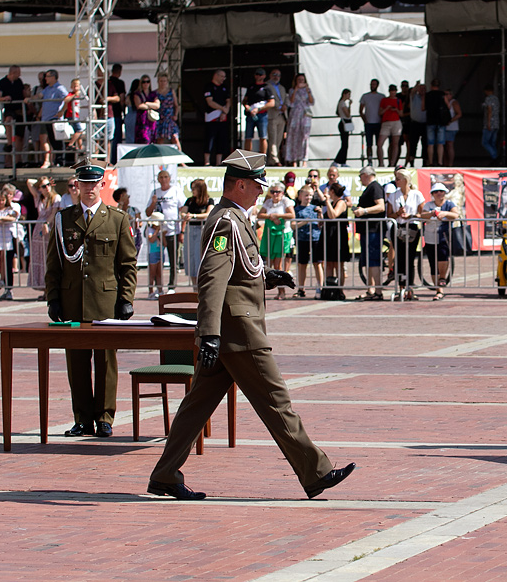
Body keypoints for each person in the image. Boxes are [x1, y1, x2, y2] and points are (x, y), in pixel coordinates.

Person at [146, 149, 355, 500]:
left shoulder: (235, 217)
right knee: (276, 399)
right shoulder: (227, 220)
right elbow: (212, 278)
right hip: (238, 332)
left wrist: (266, 276)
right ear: (239, 184)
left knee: (196, 406)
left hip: (231, 330)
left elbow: (238, 269)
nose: (261, 191)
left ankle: (166, 475)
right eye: (256, 186)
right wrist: (209, 333)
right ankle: (316, 472)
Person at [46, 161, 137, 438]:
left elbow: (128, 264)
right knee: (76, 362)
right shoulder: (64, 219)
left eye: (93, 183)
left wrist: (126, 298)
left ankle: (105, 417)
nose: (88, 188)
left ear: (102, 185)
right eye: (82, 183)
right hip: (73, 301)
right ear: (77, 185)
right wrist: (53, 299)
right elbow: (54, 265)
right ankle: (83, 419)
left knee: (106, 363)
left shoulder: (117, 219)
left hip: (105, 302)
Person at [387, 169, 425, 300]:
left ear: (405, 180)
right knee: (399, 258)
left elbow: (423, 214)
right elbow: (389, 214)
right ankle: (401, 287)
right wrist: (397, 214)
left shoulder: (416, 195)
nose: (396, 181)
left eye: (398, 179)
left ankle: (410, 288)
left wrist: (411, 215)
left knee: (410, 258)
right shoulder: (393, 195)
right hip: (398, 226)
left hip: (412, 227)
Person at [352, 165, 386, 301]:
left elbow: (381, 206)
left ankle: (377, 290)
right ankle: (371, 289)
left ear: (365, 175)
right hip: (368, 229)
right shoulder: (370, 188)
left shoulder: (375, 187)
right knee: (369, 260)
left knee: (373, 260)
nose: (360, 179)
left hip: (373, 229)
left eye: (360, 176)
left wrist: (364, 211)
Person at [146, 169, 182, 294]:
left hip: (172, 231)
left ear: (169, 178)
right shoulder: (155, 192)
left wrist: (182, 229)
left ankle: (172, 286)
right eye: (161, 177)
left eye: (166, 177)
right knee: (157, 262)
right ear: (158, 179)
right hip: (158, 233)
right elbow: (148, 212)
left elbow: (182, 208)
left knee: (173, 260)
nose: (163, 179)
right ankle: (158, 287)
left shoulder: (176, 190)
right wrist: (153, 202)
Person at [420, 182, 458, 300]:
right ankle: (438, 290)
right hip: (430, 236)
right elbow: (422, 215)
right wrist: (432, 213)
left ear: (445, 193)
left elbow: (456, 214)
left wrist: (445, 213)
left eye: (441, 191)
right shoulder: (428, 205)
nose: (439, 194)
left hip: (443, 235)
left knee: (443, 258)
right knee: (432, 262)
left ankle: (442, 278)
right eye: (436, 192)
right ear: (432, 194)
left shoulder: (449, 204)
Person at [257, 181, 294, 299]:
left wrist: (278, 216)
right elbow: (260, 214)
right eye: (272, 192)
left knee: (278, 264)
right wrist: (271, 217)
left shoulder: (286, 201)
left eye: (277, 192)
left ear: (282, 192)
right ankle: (265, 289)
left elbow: (291, 215)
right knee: (269, 263)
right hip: (270, 234)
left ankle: (282, 291)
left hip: (282, 234)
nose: (275, 194)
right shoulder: (268, 202)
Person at [25, 176, 61, 293]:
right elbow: (29, 182)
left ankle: (49, 288)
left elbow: (54, 213)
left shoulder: (56, 198)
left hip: (49, 228)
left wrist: (47, 223)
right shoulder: (39, 198)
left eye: (48, 185)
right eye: (44, 186)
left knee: (48, 258)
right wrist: (40, 182)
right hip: (38, 231)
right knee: (39, 258)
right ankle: (43, 287)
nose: (47, 188)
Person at [180, 179, 214, 292]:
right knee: (191, 257)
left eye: (194, 188)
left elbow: (208, 214)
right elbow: (183, 212)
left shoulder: (209, 200)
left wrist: (194, 216)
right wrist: (185, 216)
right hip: (191, 229)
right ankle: (195, 288)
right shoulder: (189, 201)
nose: (192, 191)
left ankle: (202, 287)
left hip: (202, 229)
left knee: (200, 256)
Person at [34, 69, 68, 168]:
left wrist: (62, 111)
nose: (45, 79)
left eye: (47, 76)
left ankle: (60, 161)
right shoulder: (48, 88)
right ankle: (54, 161)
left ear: (53, 77)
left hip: (55, 119)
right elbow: (40, 96)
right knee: (52, 141)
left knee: (57, 141)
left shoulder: (59, 88)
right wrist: (30, 98)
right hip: (46, 119)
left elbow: (67, 98)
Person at [293, 186, 323, 299]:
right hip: (302, 238)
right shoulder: (297, 209)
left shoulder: (315, 208)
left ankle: (320, 286)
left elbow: (321, 224)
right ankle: (301, 288)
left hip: (315, 238)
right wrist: (305, 222)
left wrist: (320, 215)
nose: (308, 197)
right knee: (302, 264)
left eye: (310, 195)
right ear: (300, 196)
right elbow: (293, 225)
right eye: (306, 195)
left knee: (317, 263)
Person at [322, 181, 350, 300]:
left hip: (338, 235)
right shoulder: (332, 202)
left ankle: (339, 290)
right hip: (329, 235)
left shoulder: (341, 202)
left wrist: (327, 201)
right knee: (328, 264)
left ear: (332, 192)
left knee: (338, 264)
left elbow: (334, 215)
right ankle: (329, 289)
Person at [0, 65, 26, 167]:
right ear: (12, 73)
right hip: (9, 110)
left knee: (19, 137)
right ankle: (9, 143)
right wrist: (4, 98)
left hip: (20, 111)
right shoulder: (2, 82)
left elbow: (23, 94)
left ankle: (18, 161)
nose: (20, 75)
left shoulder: (19, 82)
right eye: (18, 73)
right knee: (8, 121)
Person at [242, 68, 274, 155]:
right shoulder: (251, 87)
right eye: (257, 74)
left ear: (264, 76)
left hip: (262, 115)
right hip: (251, 115)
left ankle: (262, 157)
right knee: (248, 136)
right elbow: (244, 100)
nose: (258, 76)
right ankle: (248, 157)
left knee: (263, 136)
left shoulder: (267, 87)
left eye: (260, 74)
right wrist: (247, 106)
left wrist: (259, 109)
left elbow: (272, 103)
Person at [285, 73, 314, 168]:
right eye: (299, 80)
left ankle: (304, 160)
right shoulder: (292, 90)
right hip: (295, 115)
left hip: (305, 115)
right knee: (294, 137)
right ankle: (294, 159)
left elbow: (311, 102)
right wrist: (296, 89)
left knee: (304, 138)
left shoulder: (307, 90)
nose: (301, 82)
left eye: (302, 80)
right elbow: (291, 102)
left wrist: (307, 90)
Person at [204, 69, 231, 165]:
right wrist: (222, 109)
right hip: (211, 116)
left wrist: (225, 111)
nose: (223, 79)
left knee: (221, 138)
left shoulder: (224, 87)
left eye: (224, 77)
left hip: (223, 117)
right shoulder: (209, 86)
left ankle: (218, 162)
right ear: (216, 75)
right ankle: (207, 161)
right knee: (210, 138)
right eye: (222, 76)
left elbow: (228, 100)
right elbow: (210, 101)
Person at [359, 79, 384, 166]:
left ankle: (380, 161)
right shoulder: (365, 96)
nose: (373, 86)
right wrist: (365, 120)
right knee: (369, 143)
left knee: (379, 144)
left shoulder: (381, 97)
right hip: (369, 123)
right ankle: (369, 160)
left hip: (378, 123)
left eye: (374, 84)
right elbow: (361, 110)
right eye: (371, 84)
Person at [376, 84, 402, 168]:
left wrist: (396, 110)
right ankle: (381, 163)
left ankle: (392, 163)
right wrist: (387, 108)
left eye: (394, 91)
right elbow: (380, 112)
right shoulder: (384, 100)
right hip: (386, 122)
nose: (392, 92)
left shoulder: (398, 100)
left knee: (395, 143)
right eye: (391, 91)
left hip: (396, 122)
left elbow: (401, 113)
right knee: (380, 143)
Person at [265, 69, 287, 166]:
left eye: (278, 75)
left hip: (282, 116)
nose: (276, 76)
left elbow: (285, 100)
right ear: (270, 75)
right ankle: (275, 159)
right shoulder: (267, 86)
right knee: (272, 138)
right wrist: (278, 106)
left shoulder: (282, 88)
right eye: (274, 74)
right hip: (272, 114)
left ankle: (272, 159)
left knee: (278, 139)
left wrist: (285, 106)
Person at [423, 80, 447, 167]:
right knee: (440, 143)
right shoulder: (442, 94)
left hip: (430, 120)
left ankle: (430, 162)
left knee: (430, 143)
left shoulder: (428, 95)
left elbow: (423, 107)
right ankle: (440, 162)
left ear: (431, 85)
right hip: (440, 121)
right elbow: (447, 105)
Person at [111, 187, 142, 255]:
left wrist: (130, 218)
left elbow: (139, 224)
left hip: (134, 237)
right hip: (121, 237)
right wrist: (121, 203)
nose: (128, 198)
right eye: (126, 196)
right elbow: (116, 218)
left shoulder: (134, 210)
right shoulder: (114, 210)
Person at [154, 73, 181, 150]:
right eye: (161, 81)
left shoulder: (171, 91)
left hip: (170, 117)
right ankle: (159, 158)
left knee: (175, 138)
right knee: (160, 139)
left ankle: (180, 159)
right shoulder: (155, 93)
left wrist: (175, 115)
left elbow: (176, 105)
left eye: (164, 81)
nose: (163, 83)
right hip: (160, 118)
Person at [60, 78, 86, 154]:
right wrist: (74, 95)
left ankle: (80, 147)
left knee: (77, 132)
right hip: (72, 115)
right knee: (79, 131)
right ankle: (70, 144)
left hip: (76, 115)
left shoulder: (78, 96)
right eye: (74, 86)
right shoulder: (71, 94)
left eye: (77, 86)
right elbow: (66, 100)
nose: (75, 88)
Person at [131, 75, 159, 145]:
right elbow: (139, 106)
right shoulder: (137, 94)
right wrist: (151, 105)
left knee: (152, 138)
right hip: (142, 119)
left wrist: (147, 104)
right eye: (144, 82)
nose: (146, 84)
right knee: (143, 138)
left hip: (151, 120)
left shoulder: (153, 94)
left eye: (148, 82)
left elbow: (157, 105)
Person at [108, 64, 127, 164]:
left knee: (108, 139)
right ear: (120, 71)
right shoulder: (120, 83)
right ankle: (114, 160)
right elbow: (122, 99)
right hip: (117, 114)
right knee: (116, 138)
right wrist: (124, 112)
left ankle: (109, 160)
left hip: (108, 113)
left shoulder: (107, 82)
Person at [145, 212, 165, 299]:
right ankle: (150, 292)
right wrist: (156, 231)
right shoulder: (149, 230)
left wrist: (162, 234)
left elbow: (165, 243)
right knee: (152, 274)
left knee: (159, 273)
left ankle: (160, 290)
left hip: (160, 252)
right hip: (152, 253)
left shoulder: (161, 231)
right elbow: (151, 240)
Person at [407, 81, 426, 167]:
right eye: (421, 88)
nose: (422, 90)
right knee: (413, 143)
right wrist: (416, 85)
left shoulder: (427, 97)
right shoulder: (414, 97)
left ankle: (425, 162)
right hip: (415, 123)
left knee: (425, 144)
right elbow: (412, 92)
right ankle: (412, 162)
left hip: (425, 124)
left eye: (424, 89)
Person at [441, 89, 461, 167]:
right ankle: (444, 163)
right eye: (444, 94)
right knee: (443, 146)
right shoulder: (443, 103)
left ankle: (450, 164)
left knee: (449, 145)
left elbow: (459, 114)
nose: (446, 96)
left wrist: (450, 121)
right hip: (444, 127)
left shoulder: (454, 102)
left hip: (451, 127)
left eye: (447, 94)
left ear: (451, 95)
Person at [481, 84, 500, 162]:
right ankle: (495, 158)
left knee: (485, 142)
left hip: (490, 123)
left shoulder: (488, 99)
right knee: (492, 142)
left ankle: (495, 157)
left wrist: (488, 123)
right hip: (496, 123)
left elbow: (489, 110)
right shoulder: (496, 99)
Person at [334, 88, 352, 166]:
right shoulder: (342, 103)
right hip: (344, 123)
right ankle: (339, 160)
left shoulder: (341, 103)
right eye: (348, 94)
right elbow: (347, 114)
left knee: (345, 144)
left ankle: (342, 161)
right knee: (345, 144)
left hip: (344, 123)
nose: (349, 96)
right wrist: (349, 106)